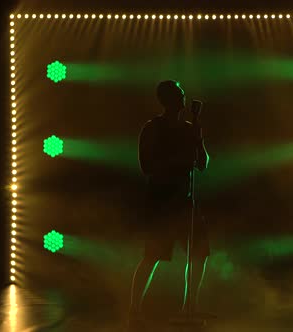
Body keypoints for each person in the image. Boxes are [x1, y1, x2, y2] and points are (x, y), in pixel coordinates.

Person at [128, 80, 210, 330]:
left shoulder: (189, 129)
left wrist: (198, 139)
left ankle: (190, 306)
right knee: (152, 256)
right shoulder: (153, 128)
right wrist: (177, 161)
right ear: (168, 99)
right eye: (179, 94)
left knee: (199, 252)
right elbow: (147, 166)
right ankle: (134, 311)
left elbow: (203, 164)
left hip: (185, 201)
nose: (184, 98)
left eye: (183, 94)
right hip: (161, 201)